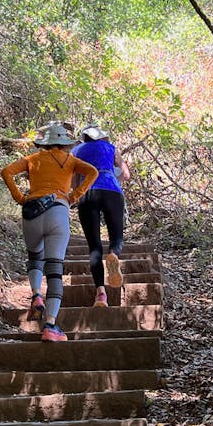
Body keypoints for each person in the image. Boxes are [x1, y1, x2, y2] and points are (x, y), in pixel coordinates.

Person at [0, 121, 98, 341]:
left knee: (35, 258)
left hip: (32, 212)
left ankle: (36, 295)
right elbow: (92, 172)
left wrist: (19, 197)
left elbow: (6, 171)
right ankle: (50, 326)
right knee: (55, 270)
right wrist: (74, 195)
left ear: (45, 144)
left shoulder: (32, 159)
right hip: (58, 211)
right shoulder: (70, 160)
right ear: (64, 144)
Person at [71, 124, 130, 308]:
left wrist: (76, 195)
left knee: (94, 246)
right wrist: (114, 179)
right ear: (101, 137)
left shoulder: (76, 150)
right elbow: (126, 175)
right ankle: (113, 254)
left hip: (88, 192)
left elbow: (74, 182)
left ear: (84, 138)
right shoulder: (111, 148)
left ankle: (101, 295)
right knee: (116, 236)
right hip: (112, 189)